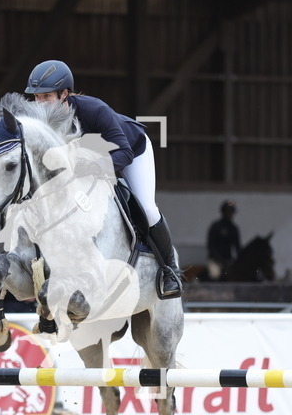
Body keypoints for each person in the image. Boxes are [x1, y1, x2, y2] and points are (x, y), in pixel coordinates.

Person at [24, 59, 182, 299]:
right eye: (36, 98)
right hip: (87, 164)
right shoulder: (41, 123)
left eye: (46, 97)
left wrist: (92, 167)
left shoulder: (93, 109)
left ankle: (170, 270)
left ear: (64, 94)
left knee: (148, 208)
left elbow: (124, 153)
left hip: (132, 150)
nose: (40, 103)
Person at [206, 200, 241, 281]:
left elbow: (237, 246)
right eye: (228, 211)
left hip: (228, 260)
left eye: (231, 212)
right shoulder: (216, 226)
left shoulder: (233, 228)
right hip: (215, 260)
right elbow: (211, 245)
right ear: (223, 212)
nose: (230, 214)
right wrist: (219, 258)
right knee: (215, 275)